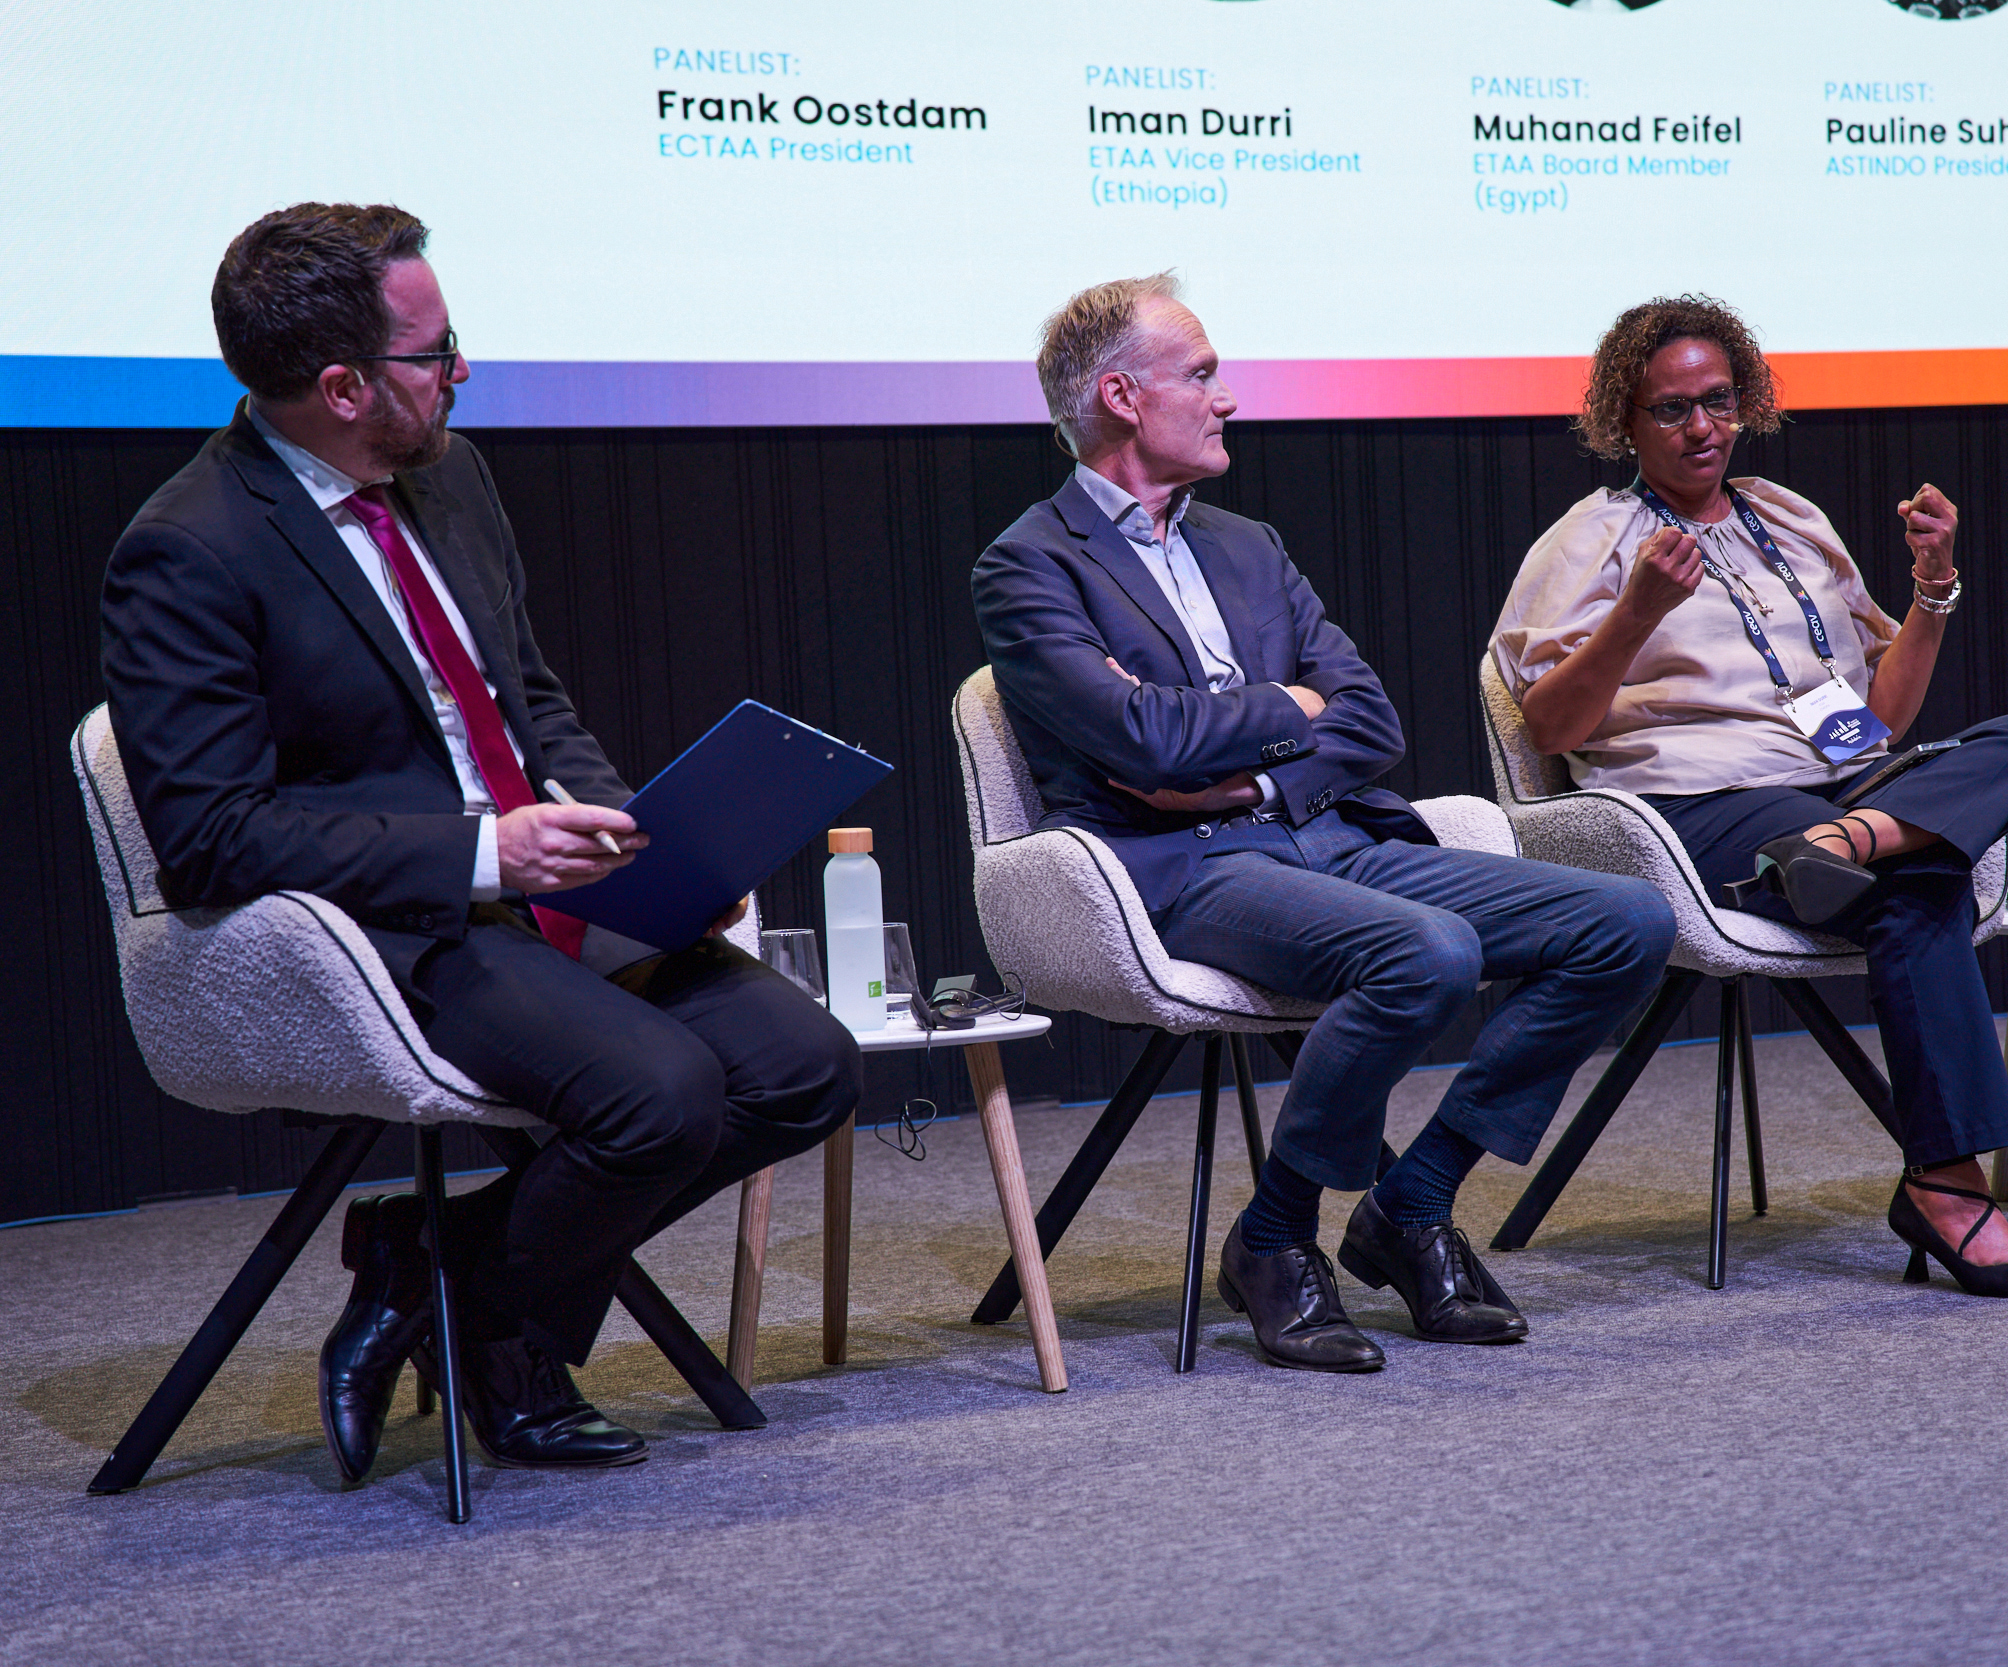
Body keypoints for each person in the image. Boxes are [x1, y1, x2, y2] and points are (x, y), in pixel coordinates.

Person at [100, 203, 859, 1480]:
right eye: (437, 351)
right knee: (660, 1094)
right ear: (343, 387)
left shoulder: (451, 474)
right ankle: (509, 1342)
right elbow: (212, 839)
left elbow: (528, 700)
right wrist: (484, 855)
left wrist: (644, 840)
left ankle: (429, 1267)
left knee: (804, 1065)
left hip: (539, 886)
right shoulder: (189, 549)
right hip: (392, 926)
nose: (463, 370)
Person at [971, 274, 1677, 1372]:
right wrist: (1283, 708)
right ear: (1120, 395)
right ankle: (1275, 1235)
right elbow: (1142, 747)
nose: (1227, 398)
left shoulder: (1249, 544)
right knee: (1427, 954)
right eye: (1201, 375)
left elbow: (1368, 718)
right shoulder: (1028, 564)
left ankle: (1413, 1200)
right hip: (1184, 868)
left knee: (1627, 920)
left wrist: (1243, 770)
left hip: (1329, 832)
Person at [1492, 294, 2008, 1300]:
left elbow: (1878, 718)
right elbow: (1547, 728)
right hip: (1696, 803)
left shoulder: (1788, 517)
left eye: (1719, 401)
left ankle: (1851, 844)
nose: (1702, 427)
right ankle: (1949, 1190)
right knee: (1924, 884)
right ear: (1625, 421)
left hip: (1836, 791)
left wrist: (1932, 585)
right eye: (1672, 408)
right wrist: (1637, 611)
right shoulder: (1589, 539)